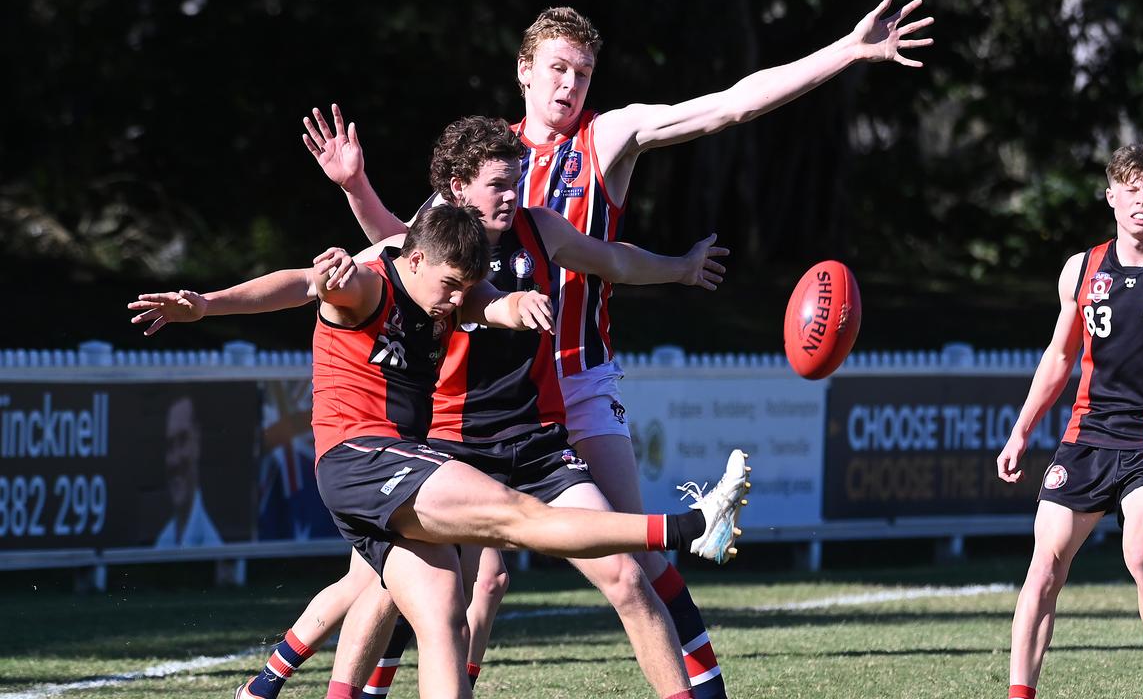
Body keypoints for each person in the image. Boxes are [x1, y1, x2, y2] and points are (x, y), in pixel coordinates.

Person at [305, 0, 932, 697]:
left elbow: (727, 107)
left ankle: (703, 680)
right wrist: (355, 187)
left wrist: (844, 52)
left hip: (574, 380)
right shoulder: (483, 162)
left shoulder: (605, 139)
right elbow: (401, 254)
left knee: (629, 564)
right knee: (443, 579)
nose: (570, 84)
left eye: (583, 71)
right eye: (558, 69)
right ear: (524, 72)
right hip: (469, 397)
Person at [129, 132, 741, 699]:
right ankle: (687, 527)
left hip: (478, 447)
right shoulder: (379, 279)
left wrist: (518, 303)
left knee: (444, 606)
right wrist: (205, 303)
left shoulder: (479, 266)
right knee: (505, 528)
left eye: (516, 179)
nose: (455, 302)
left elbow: (488, 300)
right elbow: (306, 282)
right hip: (389, 453)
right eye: (498, 183)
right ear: (419, 250)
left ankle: (279, 685)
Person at [994, 144, 1143, 699]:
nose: (1142, 201)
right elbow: (1058, 358)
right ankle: (1019, 694)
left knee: (1142, 552)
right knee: (1044, 567)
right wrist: (1021, 431)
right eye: (1131, 189)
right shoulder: (1080, 269)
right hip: (1086, 436)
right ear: (1111, 197)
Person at [155, 395, 223, 547]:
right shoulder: (162, 542)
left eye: (183, 440)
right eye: (169, 445)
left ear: (197, 442)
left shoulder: (211, 545)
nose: (174, 460)